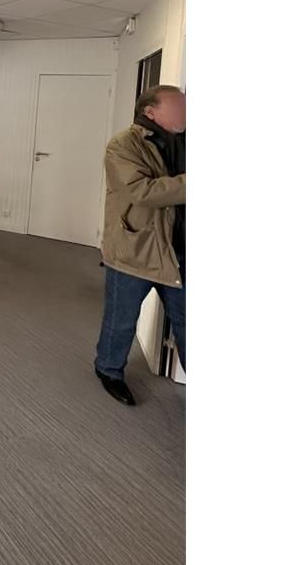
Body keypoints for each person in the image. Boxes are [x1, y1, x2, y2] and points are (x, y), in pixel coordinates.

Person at [94, 84, 186, 405]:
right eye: (178, 106)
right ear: (150, 112)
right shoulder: (122, 145)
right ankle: (108, 370)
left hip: (179, 250)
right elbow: (142, 192)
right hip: (135, 248)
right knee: (121, 320)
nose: (186, 111)